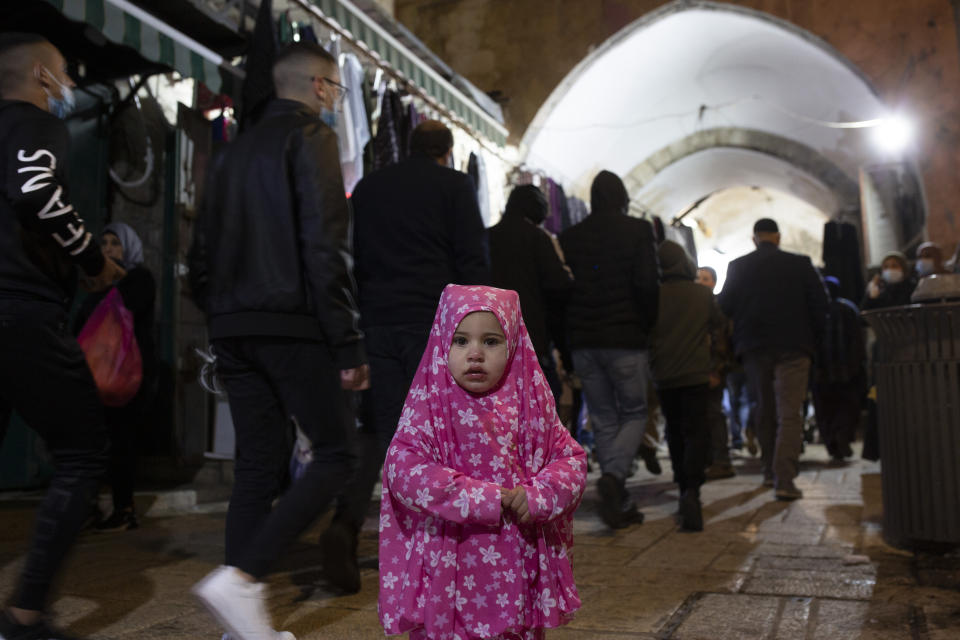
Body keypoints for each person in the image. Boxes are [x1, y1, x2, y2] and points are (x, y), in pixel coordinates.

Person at [187, 42, 369, 640]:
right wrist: (345, 341)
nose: (338, 102)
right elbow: (323, 243)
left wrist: (222, 313)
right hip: (290, 322)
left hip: (233, 327)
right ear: (319, 86)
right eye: (339, 90)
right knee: (339, 453)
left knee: (257, 466)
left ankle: (240, 626)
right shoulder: (311, 137)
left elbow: (199, 255)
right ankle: (242, 579)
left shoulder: (231, 153)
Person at [0, 32, 125, 640]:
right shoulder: (33, 124)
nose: (71, 84)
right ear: (44, 78)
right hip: (21, 310)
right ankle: (25, 614)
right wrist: (90, 259)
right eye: (66, 74)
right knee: (82, 452)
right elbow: (36, 193)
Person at [329, 119, 489, 591]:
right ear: (447, 151)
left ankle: (345, 523)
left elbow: (350, 255)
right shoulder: (455, 186)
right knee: (436, 432)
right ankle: (425, 543)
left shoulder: (369, 188)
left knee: (380, 430)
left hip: (377, 322)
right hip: (432, 324)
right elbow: (472, 260)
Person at [378, 285, 587, 640]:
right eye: (461, 341)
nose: (474, 353)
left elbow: (571, 460)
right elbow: (403, 468)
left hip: (515, 570)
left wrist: (540, 494)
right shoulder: (430, 405)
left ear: (514, 345)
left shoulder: (531, 405)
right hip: (447, 573)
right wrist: (474, 497)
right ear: (442, 342)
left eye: (490, 341)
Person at [559, 170, 660, 528]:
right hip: (625, 339)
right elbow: (648, 284)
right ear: (622, 197)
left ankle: (617, 491)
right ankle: (614, 477)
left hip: (585, 341)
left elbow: (565, 293)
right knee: (634, 411)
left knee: (602, 415)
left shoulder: (570, 236)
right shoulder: (636, 231)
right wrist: (647, 326)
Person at [718, 219, 827, 501]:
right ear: (778, 237)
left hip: (754, 348)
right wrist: (812, 339)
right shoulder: (801, 263)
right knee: (790, 412)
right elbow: (821, 306)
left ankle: (768, 470)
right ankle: (785, 479)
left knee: (764, 407)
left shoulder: (738, 266)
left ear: (754, 239)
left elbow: (724, 306)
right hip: (795, 346)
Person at [74, 223, 156, 531]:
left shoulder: (139, 279)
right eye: (103, 243)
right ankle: (89, 506)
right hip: (95, 377)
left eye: (115, 244)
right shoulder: (95, 285)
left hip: (126, 377)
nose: (107, 248)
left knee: (121, 441)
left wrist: (112, 276)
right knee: (91, 441)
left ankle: (125, 509)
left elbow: (132, 303)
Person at [651, 244, 727, 531]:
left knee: (674, 429)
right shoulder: (703, 294)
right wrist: (717, 367)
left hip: (664, 374)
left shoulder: (653, 296)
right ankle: (692, 489)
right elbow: (719, 327)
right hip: (696, 373)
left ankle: (682, 480)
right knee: (696, 430)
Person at [489, 184, 573, 401]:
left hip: (491, 340)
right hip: (531, 339)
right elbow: (558, 286)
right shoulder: (537, 238)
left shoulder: (486, 238)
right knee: (540, 410)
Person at [812, 276, 866, 462]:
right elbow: (858, 341)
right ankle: (842, 437)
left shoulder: (815, 311)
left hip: (821, 373)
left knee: (825, 411)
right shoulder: (848, 309)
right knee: (847, 408)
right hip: (846, 371)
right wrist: (857, 365)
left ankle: (833, 444)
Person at [695, 266, 736, 480]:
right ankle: (710, 458)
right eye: (698, 277)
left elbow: (720, 341)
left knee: (713, 413)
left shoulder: (716, 307)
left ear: (713, 283)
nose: (701, 281)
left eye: (706, 278)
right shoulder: (696, 305)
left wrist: (715, 369)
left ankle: (721, 459)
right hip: (697, 369)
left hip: (711, 370)